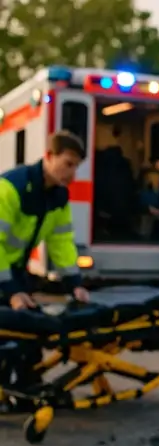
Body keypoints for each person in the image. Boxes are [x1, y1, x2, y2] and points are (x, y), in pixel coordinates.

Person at [0, 130, 90, 394]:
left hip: (13, 271)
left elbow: (61, 242)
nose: (72, 173)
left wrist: (75, 283)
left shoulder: (58, 197)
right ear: (49, 157)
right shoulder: (10, 189)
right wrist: (12, 291)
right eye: (68, 164)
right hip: (5, 273)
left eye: (77, 166)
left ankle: (27, 387)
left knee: (29, 331)